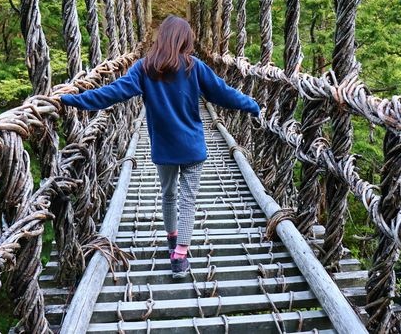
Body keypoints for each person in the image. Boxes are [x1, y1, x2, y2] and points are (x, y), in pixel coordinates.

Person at [60, 16, 260, 278]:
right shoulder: (194, 67)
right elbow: (224, 93)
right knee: (188, 200)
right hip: (193, 148)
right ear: (186, 40)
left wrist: (74, 100)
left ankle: (171, 237)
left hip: (164, 148)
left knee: (168, 194)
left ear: (161, 38)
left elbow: (114, 91)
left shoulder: (145, 68)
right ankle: (180, 256)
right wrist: (252, 105)